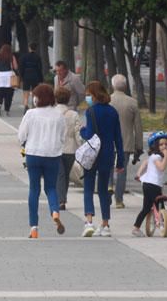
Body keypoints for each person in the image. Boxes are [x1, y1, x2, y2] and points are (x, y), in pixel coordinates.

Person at [18, 84, 66, 239]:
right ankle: (55, 211)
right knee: (51, 188)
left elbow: (21, 136)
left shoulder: (31, 114)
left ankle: (34, 227)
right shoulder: (59, 115)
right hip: (53, 155)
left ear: (37, 98)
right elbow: (62, 137)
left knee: (34, 190)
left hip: (33, 154)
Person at [80, 81, 124, 238]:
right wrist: (121, 160)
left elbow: (90, 135)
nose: (87, 98)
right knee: (104, 190)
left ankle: (89, 221)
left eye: (88, 95)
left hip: (92, 155)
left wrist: (82, 132)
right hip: (107, 154)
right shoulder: (113, 112)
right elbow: (118, 138)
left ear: (94, 95)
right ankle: (105, 224)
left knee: (88, 187)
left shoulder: (90, 112)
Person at [110, 74, 143, 209]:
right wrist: (138, 147)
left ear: (113, 85)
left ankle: (108, 189)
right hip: (126, 142)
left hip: (109, 142)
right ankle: (119, 200)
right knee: (121, 171)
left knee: (108, 168)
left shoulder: (107, 101)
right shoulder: (132, 103)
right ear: (125, 86)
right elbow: (138, 128)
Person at [131, 131, 167, 237]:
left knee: (154, 205)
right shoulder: (156, 157)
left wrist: (139, 174)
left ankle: (163, 225)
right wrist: (166, 156)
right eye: (161, 144)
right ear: (155, 146)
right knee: (151, 206)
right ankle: (137, 228)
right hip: (150, 185)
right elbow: (161, 168)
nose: (164, 146)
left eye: (166, 144)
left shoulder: (153, 157)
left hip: (154, 184)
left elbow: (145, 163)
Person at [54, 87, 82, 211]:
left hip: (55, 148)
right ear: (68, 99)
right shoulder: (74, 114)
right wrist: (81, 147)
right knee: (65, 175)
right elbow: (78, 133)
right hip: (70, 149)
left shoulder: (52, 113)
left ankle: (60, 200)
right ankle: (62, 198)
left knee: (59, 174)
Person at [0, 44, 18, 117]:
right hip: (9, 76)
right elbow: (15, 66)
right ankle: (7, 110)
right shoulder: (11, 56)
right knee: (9, 94)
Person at [18, 43, 44, 112]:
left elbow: (21, 68)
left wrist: (21, 77)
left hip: (26, 75)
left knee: (26, 91)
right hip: (35, 76)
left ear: (29, 48)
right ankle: (33, 106)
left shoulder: (24, 57)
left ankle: (26, 105)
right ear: (36, 48)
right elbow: (39, 69)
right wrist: (41, 79)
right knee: (34, 92)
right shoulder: (37, 57)